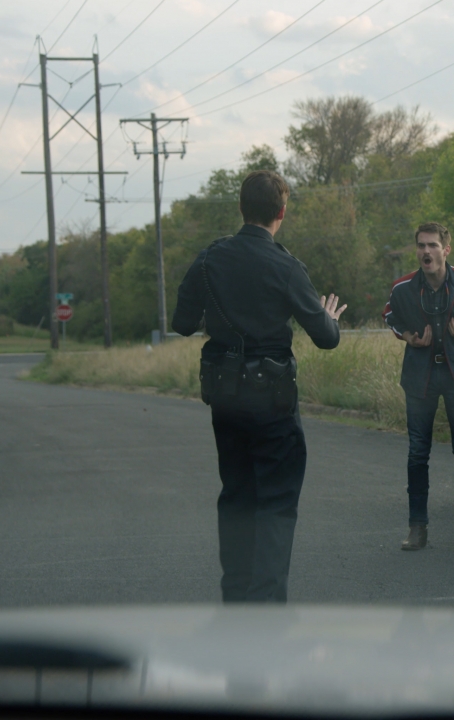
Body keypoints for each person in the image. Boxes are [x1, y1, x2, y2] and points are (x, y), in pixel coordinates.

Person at [171, 170, 346, 602]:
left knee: (236, 495)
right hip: (272, 400)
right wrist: (329, 317)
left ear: (241, 208)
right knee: (276, 502)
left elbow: (182, 323)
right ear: (281, 212)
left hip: (226, 397)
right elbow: (326, 338)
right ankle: (266, 606)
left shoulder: (209, 260)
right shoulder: (286, 266)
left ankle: (236, 598)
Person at [382, 222, 454, 552]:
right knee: (418, 452)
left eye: (432, 245)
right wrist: (409, 337)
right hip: (420, 378)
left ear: (446, 250)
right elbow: (390, 316)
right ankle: (417, 528)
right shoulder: (402, 288)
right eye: (421, 245)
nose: (426, 251)